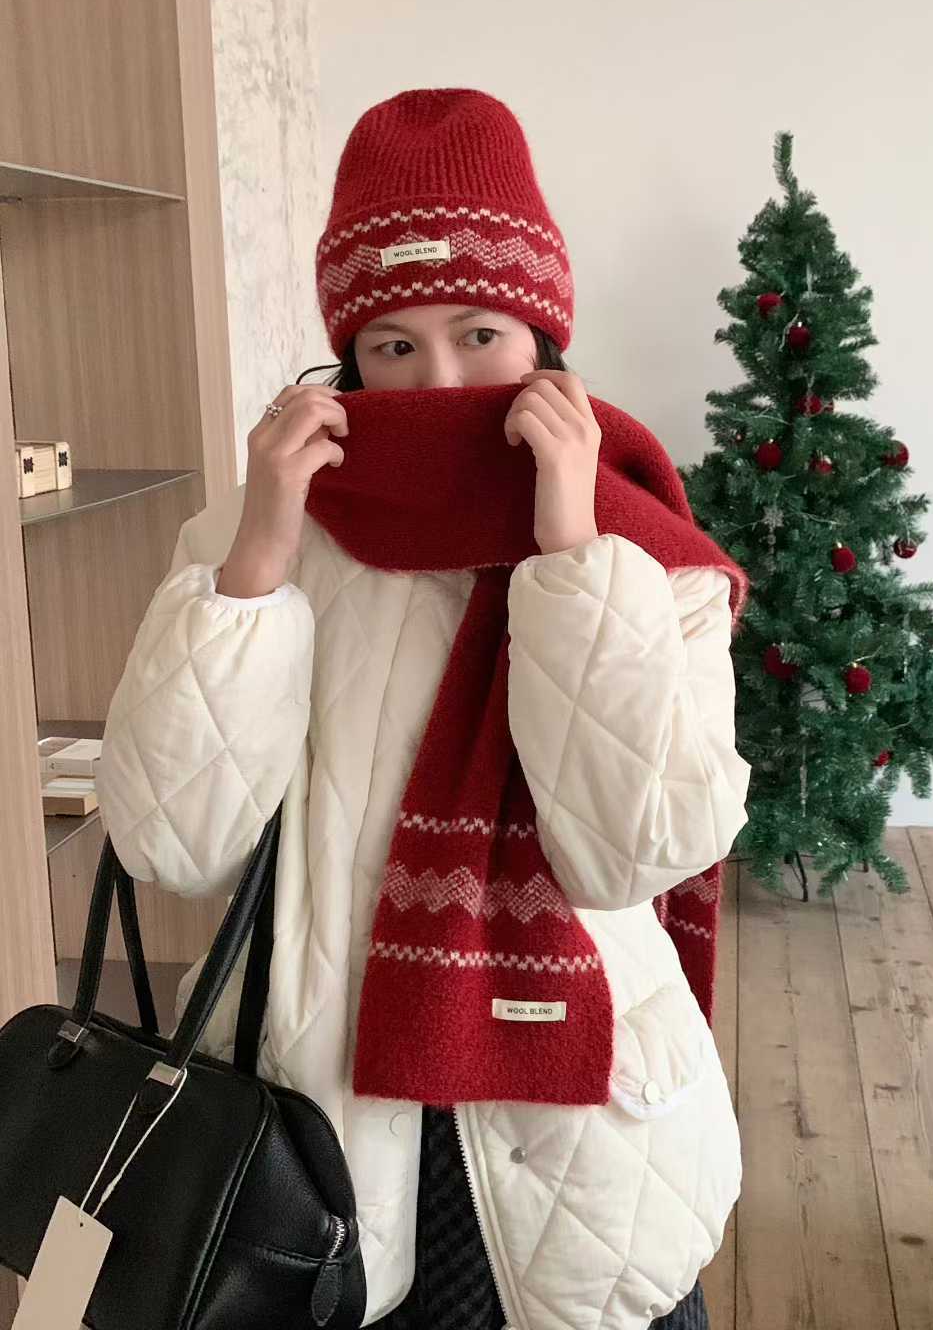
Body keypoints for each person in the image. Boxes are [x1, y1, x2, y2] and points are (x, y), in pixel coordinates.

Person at [97, 87, 752, 1330]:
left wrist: (572, 558)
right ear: (349, 355)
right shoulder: (261, 534)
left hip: (584, 1139)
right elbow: (173, 848)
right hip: (312, 1139)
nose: (437, 380)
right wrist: (254, 567)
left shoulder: (645, 552)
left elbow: (631, 853)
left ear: (543, 335)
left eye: (478, 333)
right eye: (393, 346)